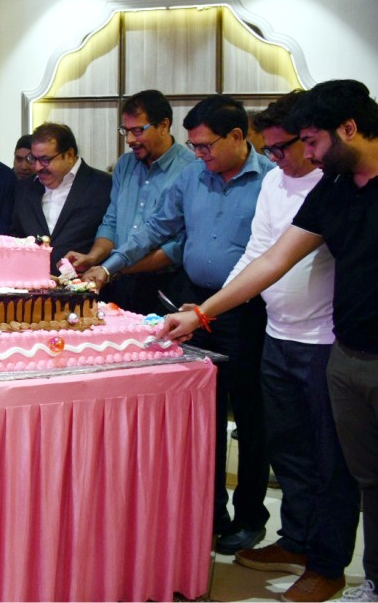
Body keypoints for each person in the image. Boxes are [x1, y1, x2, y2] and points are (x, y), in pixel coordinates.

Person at [159, 80, 378, 602]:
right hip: (341, 349)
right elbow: (273, 257)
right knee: (340, 466)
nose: (309, 155)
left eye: (312, 141)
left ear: (348, 129)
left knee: (343, 468)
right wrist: (203, 312)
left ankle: (337, 564)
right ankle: (332, 562)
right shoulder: (336, 187)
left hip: (331, 342)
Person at [87, 94, 275, 556]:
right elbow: (153, 228)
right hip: (195, 305)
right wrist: (108, 268)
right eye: (194, 146)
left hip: (248, 312)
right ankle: (211, 513)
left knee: (250, 417)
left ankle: (250, 516)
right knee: (205, 415)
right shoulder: (193, 177)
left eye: (206, 146)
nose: (198, 154)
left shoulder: (271, 180)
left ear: (237, 136)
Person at [206, 91, 356, 602]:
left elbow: (287, 258)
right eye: (267, 149)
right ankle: (296, 539)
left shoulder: (334, 182)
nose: (277, 159)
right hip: (277, 332)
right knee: (287, 449)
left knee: (328, 459)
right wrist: (213, 306)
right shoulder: (274, 180)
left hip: (325, 340)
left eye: (285, 147)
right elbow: (258, 251)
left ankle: (327, 561)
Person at [64, 90, 195, 314]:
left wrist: (114, 267)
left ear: (164, 125)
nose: (130, 140)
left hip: (164, 284)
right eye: (126, 131)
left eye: (138, 130)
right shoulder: (125, 164)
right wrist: (93, 258)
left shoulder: (190, 169)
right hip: (119, 280)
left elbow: (176, 247)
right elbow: (111, 221)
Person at [11, 122, 111, 274]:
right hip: (32, 283)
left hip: (85, 283)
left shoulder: (103, 185)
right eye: (34, 159)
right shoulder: (24, 188)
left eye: (45, 159)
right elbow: (15, 235)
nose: (37, 167)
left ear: (69, 155)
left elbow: (112, 234)